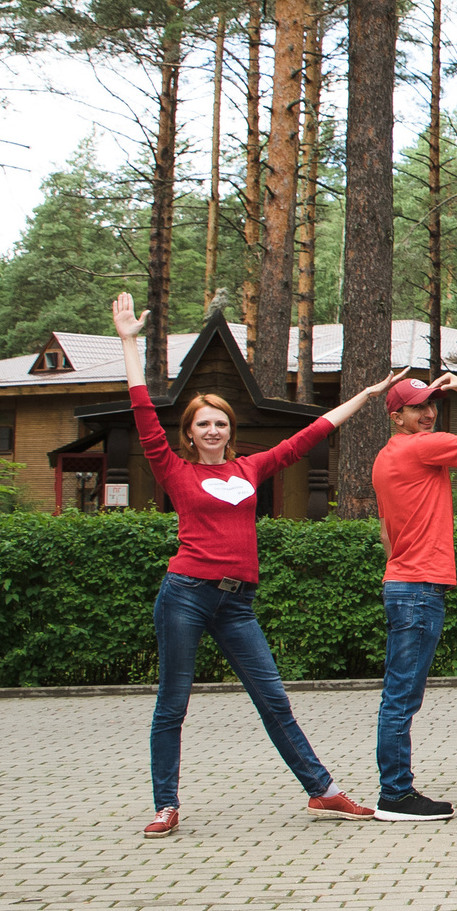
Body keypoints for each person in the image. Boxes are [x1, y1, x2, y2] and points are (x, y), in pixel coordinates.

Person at [112, 291, 393, 837]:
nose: (212, 430)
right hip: (186, 593)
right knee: (173, 702)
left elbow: (310, 434)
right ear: (189, 433)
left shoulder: (249, 469)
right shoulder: (174, 471)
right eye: (202, 424)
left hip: (237, 602)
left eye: (220, 423)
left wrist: (364, 394)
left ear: (229, 431)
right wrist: (129, 343)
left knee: (273, 699)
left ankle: (323, 791)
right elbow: (144, 413)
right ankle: (165, 805)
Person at [369, 368, 457, 821]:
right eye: (416, 407)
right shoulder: (422, 447)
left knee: (399, 693)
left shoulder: (385, 457)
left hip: (402, 581)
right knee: (402, 696)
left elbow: (386, 533)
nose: (428, 413)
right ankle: (395, 795)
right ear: (397, 416)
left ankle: (396, 790)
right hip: (418, 588)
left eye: (431, 404)